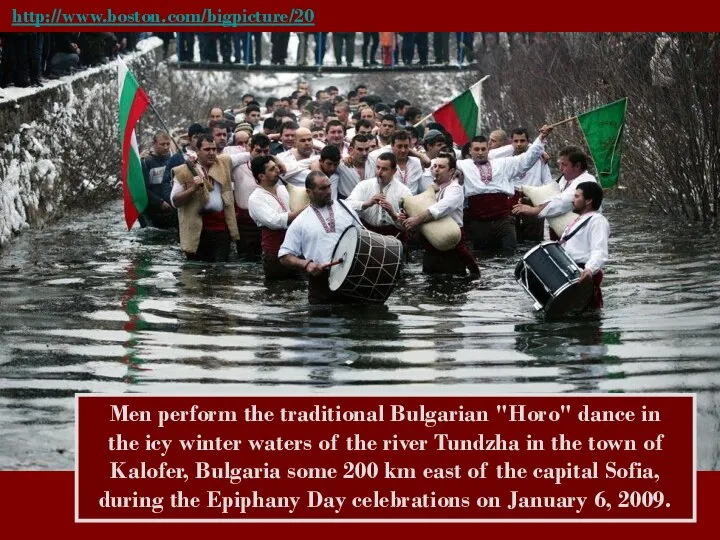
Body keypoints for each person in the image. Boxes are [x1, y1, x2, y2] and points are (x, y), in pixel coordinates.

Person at [278, 171, 362, 304]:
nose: (329, 191)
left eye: (329, 186)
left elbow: (363, 236)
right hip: (320, 281)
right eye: (322, 188)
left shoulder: (346, 208)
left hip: (352, 276)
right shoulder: (300, 221)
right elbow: (284, 255)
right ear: (309, 192)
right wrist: (306, 264)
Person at [170, 135, 248, 262]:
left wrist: (275, 160)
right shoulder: (183, 171)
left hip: (221, 229)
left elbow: (246, 156)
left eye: (214, 149)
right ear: (197, 151)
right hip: (196, 229)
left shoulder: (223, 162)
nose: (211, 153)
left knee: (220, 271)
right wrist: (192, 189)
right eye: (207, 150)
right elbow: (175, 202)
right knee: (197, 271)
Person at [401, 152, 480, 275]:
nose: (436, 170)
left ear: (451, 171)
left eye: (441, 167)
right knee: (429, 279)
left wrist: (416, 219)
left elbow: (440, 208)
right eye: (435, 166)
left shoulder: (455, 189)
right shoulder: (433, 189)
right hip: (431, 243)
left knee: (454, 283)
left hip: (451, 242)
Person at [512, 145, 599, 241]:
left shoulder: (587, 182)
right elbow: (553, 196)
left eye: (564, 165)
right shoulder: (564, 179)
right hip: (563, 233)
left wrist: (535, 210)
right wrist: (532, 201)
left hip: (581, 234)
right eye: (560, 164)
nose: (560, 169)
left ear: (577, 166)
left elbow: (563, 201)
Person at [248, 155, 306, 280]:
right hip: (274, 254)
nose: (278, 170)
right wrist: (305, 210)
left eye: (276, 167)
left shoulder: (282, 189)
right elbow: (275, 221)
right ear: (261, 176)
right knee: (278, 292)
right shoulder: (255, 198)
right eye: (272, 169)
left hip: (294, 250)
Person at [560, 181, 609, 309]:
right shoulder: (577, 220)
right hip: (570, 274)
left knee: (588, 321)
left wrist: (589, 270)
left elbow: (600, 251)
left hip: (583, 276)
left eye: (577, 197)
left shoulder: (597, 221)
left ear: (588, 201)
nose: (572, 201)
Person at [346, 152, 411, 240]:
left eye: (384, 169)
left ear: (394, 171)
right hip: (367, 232)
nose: (379, 172)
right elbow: (347, 206)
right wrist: (367, 203)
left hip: (393, 236)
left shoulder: (404, 191)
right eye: (378, 167)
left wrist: (393, 214)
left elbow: (408, 224)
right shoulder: (364, 185)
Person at [140, 131, 176, 229]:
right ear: (154, 144)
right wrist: (159, 202)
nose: (165, 147)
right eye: (162, 144)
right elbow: (143, 188)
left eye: (167, 144)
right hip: (154, 207)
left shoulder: (172, 158)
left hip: (171, 205)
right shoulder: (146, 161)